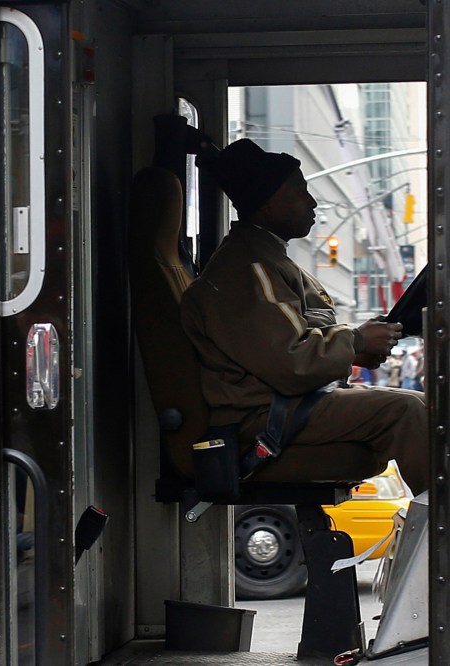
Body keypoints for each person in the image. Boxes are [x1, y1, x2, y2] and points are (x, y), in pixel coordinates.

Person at [180, 138, 429, 494]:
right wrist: (356, 340)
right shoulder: (249, 268)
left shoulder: (266, 258)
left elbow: (287, 340)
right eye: (299, 192)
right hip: (262, 420)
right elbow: (291, 362)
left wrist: (354, 349)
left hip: (285, 406)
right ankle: (442, 533)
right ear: (267, 205)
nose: (311, 202)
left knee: (421, 404)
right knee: (406, 411)